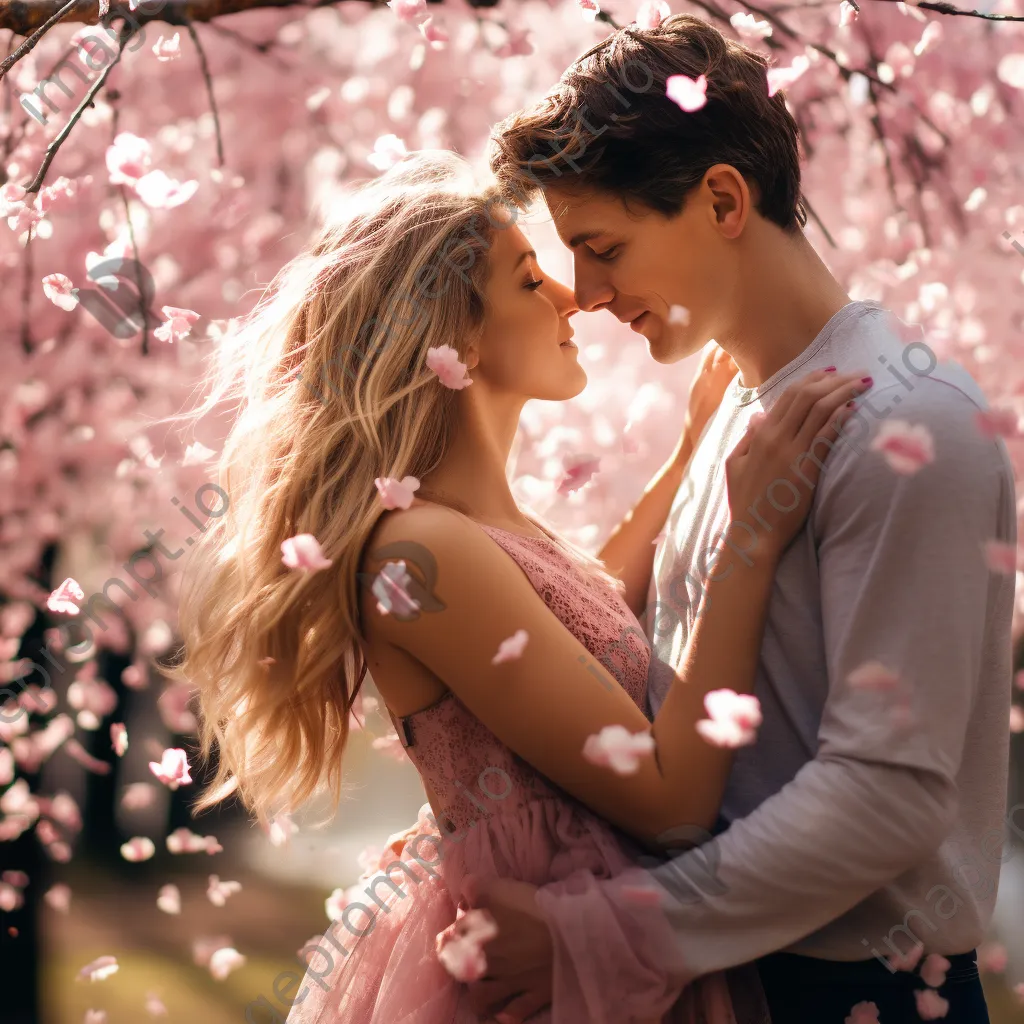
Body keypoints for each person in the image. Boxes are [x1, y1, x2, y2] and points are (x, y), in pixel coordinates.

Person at [168, 148, 866, 1023]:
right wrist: (751, 538)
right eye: (531, 278)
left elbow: (579, 631)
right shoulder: (417, 555)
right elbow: (671, 800)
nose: (574, 297)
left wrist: (686, 463)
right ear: (451, 337)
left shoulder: (476, 536)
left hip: (584, 945)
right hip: (552, 979)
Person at [465, 12, 1018, 1024]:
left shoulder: (907, 422)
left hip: (853, 992)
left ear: (722, 197)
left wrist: (608, 931)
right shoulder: (736, 405)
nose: (583, 295)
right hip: (734, 975)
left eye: (603, 247)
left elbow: (887, 791)